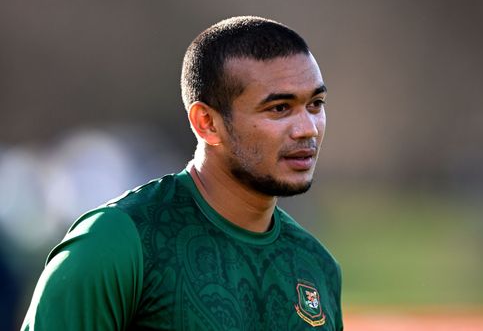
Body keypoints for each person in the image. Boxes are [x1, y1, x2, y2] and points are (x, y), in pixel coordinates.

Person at [22, 16, 343, 330]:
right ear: (207, 122)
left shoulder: (318, 266)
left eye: (315, 104)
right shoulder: (116, 242)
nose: (307, 129)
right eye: (279, 108)